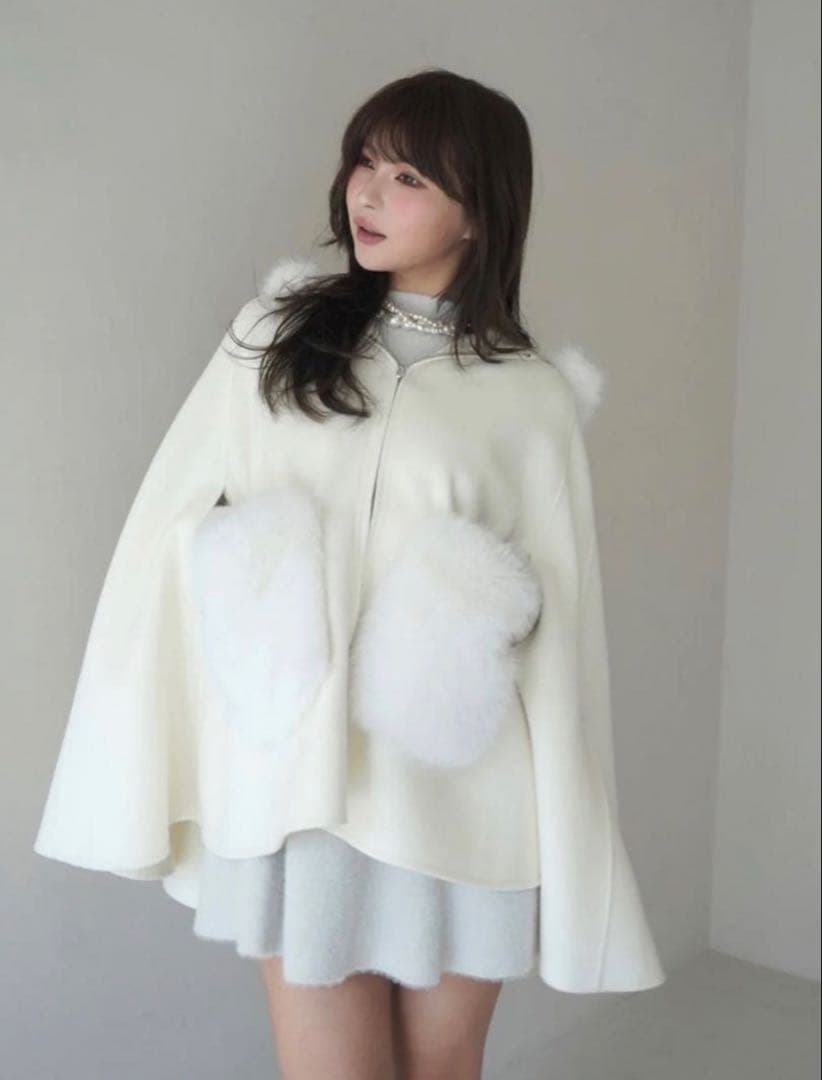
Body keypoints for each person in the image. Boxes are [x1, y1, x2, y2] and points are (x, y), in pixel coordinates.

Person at [33, 68, 666, 1079]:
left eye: (408, 176)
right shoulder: (272, 336)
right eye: (364, 161)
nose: (367, 192)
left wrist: (574, 828)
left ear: (478, 210)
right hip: (306, 794)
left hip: (461, 798)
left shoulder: (532, 397)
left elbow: (564, 636)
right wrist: (260, 586)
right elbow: (166, 526)